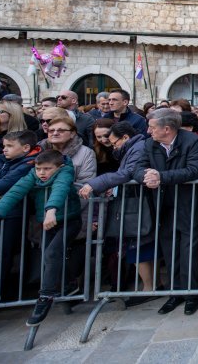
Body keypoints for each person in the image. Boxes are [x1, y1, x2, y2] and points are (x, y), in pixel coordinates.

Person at [0, 150, 80, 326]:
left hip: (69, 221)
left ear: (58, 167)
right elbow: (14, 192)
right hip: (47, 222)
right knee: (49, 256)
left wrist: (51, 210)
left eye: (47, 169)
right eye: (39, 169)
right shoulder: (33, 174)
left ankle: (45, 296)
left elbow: (60, 188)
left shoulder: (65, 171)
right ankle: (70, 284)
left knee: (52, 254)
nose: (42, 173)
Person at [133, 109, 198, 316]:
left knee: (190, 248)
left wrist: (161, 177)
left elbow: (195, 170)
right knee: (170, 248)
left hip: (189, 203)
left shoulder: (193, 142)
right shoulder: (150, 144)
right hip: (163, 204)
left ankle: (191, 293)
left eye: (152, 127)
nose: (148, 131)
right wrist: (145, 176)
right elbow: (138, 167)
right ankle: (175, 292)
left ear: (166, 129)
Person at [79, 121, 156, 307]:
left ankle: (150, 287)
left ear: (125, 138)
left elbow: (127, 173)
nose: (112, 146)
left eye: (115, 142)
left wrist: (96, 183)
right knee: (137, 244)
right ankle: (150, 285)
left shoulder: (137, 149)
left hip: (138, 202)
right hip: (134, 201)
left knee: (139, 243)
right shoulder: (133, 147)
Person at [0, 130, 40, 308]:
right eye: (4, 146)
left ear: (26, 148)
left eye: (10, 146)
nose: (4, 150)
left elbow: (6, 183)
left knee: (1, 252)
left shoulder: (30, 162)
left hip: (14, 212)